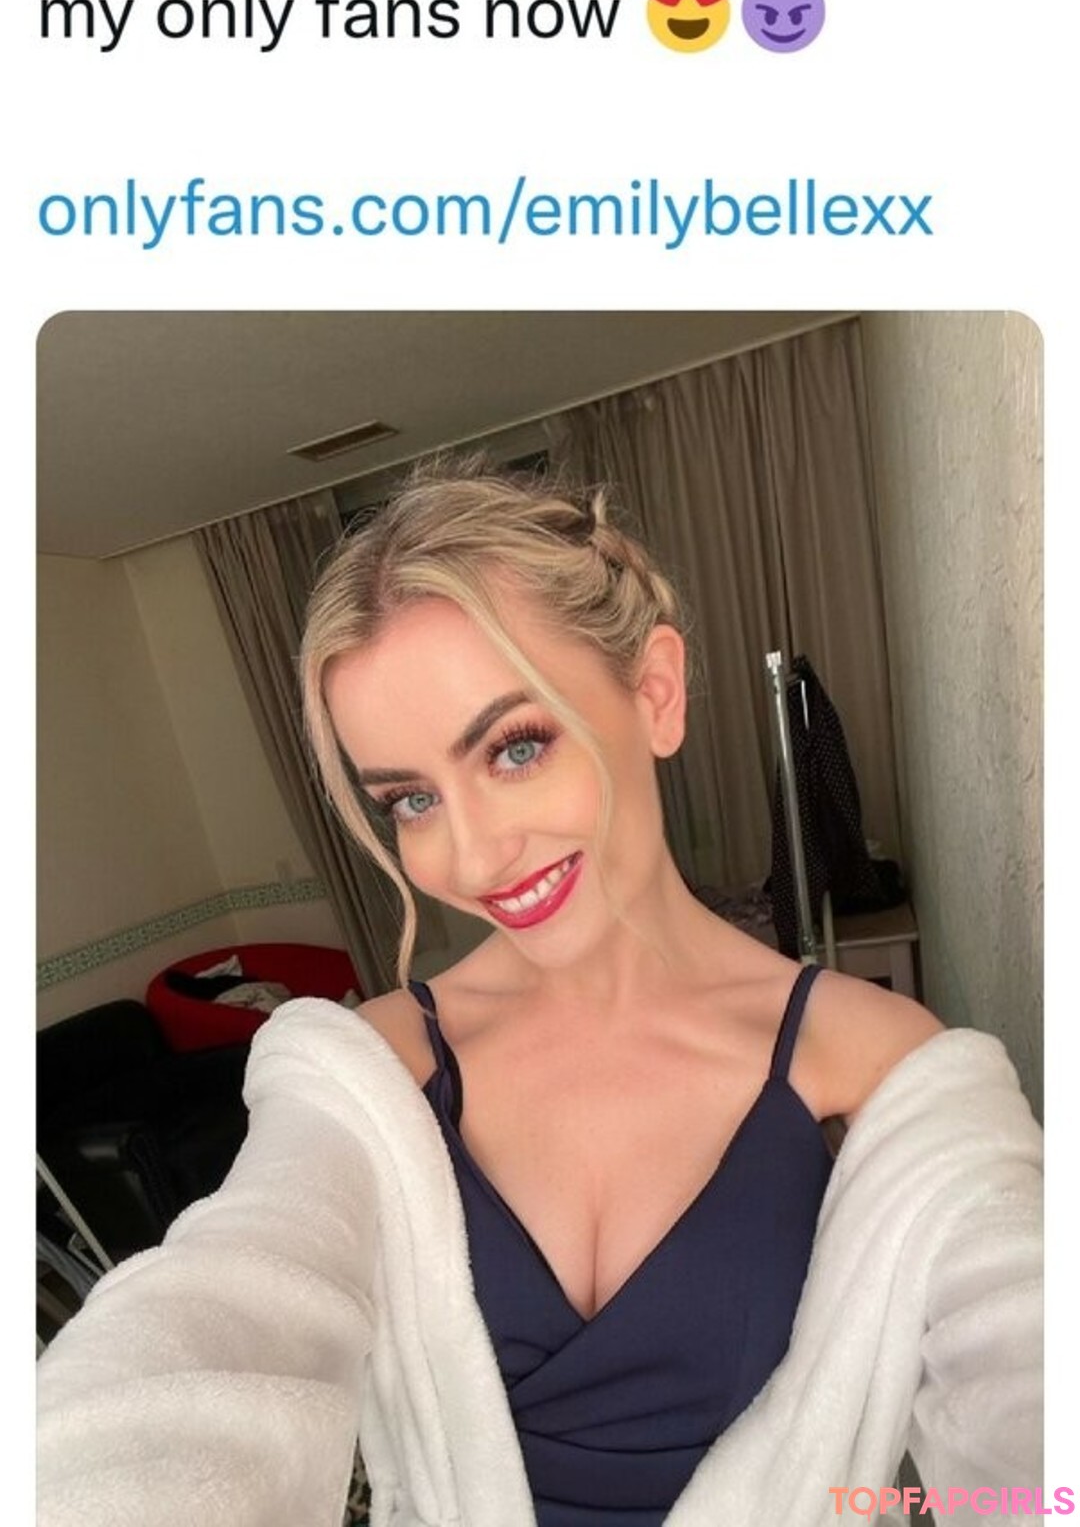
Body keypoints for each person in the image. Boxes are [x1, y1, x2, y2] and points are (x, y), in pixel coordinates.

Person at [37, 462, 1043, 1527]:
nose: (472, 857)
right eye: (411, 799)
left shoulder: (875, 1058)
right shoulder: (373, 1069)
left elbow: (1023, 1361)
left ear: (655, 694)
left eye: (515, 747)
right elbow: (227, 1299)